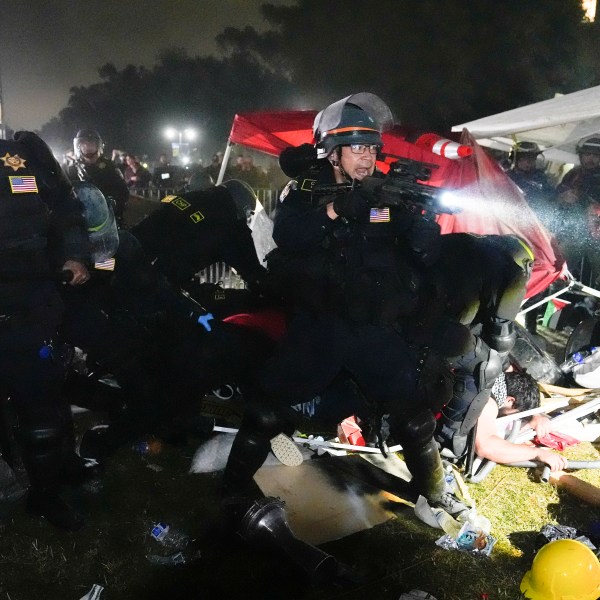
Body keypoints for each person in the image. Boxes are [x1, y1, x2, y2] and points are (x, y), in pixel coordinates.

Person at [221, 93, 467, 525]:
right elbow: (289, 235)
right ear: (332, 154)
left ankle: (434, 494)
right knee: (266, 410)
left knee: (414, 418)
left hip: (375, 329)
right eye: (357, 148)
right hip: (321, 326)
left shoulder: (389, 195)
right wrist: (338, 209)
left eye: (372, 148)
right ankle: (232, 487)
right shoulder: (308, 191)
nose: (367, 157)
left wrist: (423, 229)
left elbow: (423, 256)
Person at [0, 131, 90, 530]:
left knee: (43, 399)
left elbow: (67, 206)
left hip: (32, 299)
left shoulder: (21, 154)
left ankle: (47, 491)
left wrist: (74, 255)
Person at [473, 371, 568, 471]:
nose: (512, 418)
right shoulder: (488, 402)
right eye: (514, 414)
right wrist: (538, 453)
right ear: (510, 400)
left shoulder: (491, 378)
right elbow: (486, 446)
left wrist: (536, 415)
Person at [66, 129, 130, 227]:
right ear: (79, 147)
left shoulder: (109, 166)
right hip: (81, 222)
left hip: (109, 220)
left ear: (98, 146)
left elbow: (123, 192)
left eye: (91, 144)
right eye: (85, 145)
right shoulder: (72, 169)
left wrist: (112, 204)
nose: (88, 148)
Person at [506, 142, 557, 232]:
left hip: (535, 223)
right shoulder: (506, 177)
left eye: (532, 158)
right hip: (510, 222)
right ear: (515, 159)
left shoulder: (541, 177)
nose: (529, 162)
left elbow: (552, 197)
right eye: (524, 158)